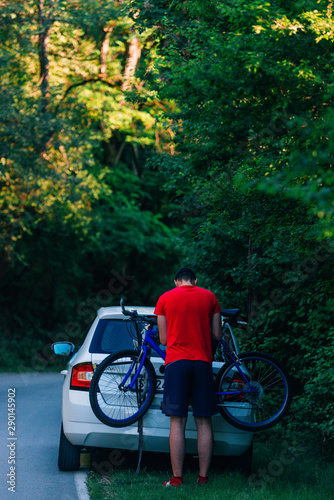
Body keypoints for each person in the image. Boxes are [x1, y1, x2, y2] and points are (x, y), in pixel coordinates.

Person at [154, 267, 222, 487]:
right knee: (204, 422)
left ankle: (176, 478)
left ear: (176, 281)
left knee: (178, 421)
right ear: (195, 280)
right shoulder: (210, 297)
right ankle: (203, 478)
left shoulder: (164, 299)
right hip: (202, 363)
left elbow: (163, 340)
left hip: (176, 363)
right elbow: (217, 335)